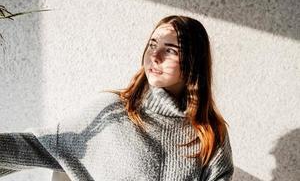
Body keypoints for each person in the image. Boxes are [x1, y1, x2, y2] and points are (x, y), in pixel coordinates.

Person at [0, 15, 234, 181]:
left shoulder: (211, 133)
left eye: (170, 49)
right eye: (152, 45)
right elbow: (36, 146)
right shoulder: (113, 111)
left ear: (194, 61)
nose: (155, 56)